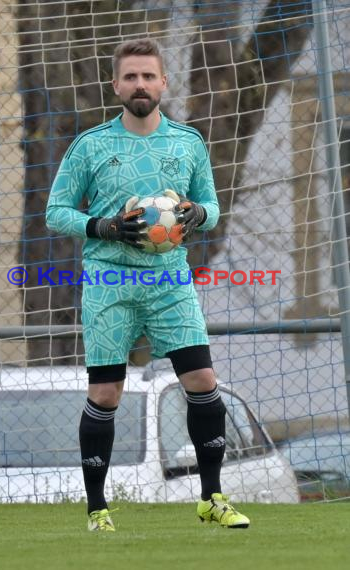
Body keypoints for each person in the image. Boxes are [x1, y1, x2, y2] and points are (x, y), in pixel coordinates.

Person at [46, 38, 250, 531]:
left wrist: (200, 213)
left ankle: (212, 498)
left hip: (170, 280)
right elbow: (56, 211)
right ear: (116, 85)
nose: (141, 85)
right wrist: (105, 226)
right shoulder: (91, 145)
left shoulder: (188, 142)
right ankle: (98, 510)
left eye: (149, 76)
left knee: (202, 382)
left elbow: (213, 206)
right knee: (106, 392)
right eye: (131, 77)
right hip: (108, 281)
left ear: (163, 82)